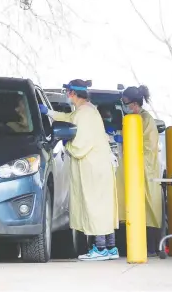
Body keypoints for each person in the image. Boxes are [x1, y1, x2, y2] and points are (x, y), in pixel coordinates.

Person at [39, 79, 119, 261]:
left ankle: (100, 248)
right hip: (99, 167)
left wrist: (67, 145)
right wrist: (49, 112)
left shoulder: (85, 114)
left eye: (68, 93)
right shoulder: (86, 111)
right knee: (103, 206)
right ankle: (110, 246)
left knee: (94, 206)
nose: (68, 96)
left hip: (92, 168)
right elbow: (69, 119)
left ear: (73, 93)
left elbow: (81, 144)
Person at [115, 85, 162, 257]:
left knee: (147, 206)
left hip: (145, 169)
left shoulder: (144, 119)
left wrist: (124, 137)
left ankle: (151, 247)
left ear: (134, 104)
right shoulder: (134, 119)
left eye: (126, 104)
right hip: (135, 169)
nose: (125, 107)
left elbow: (144, 144)